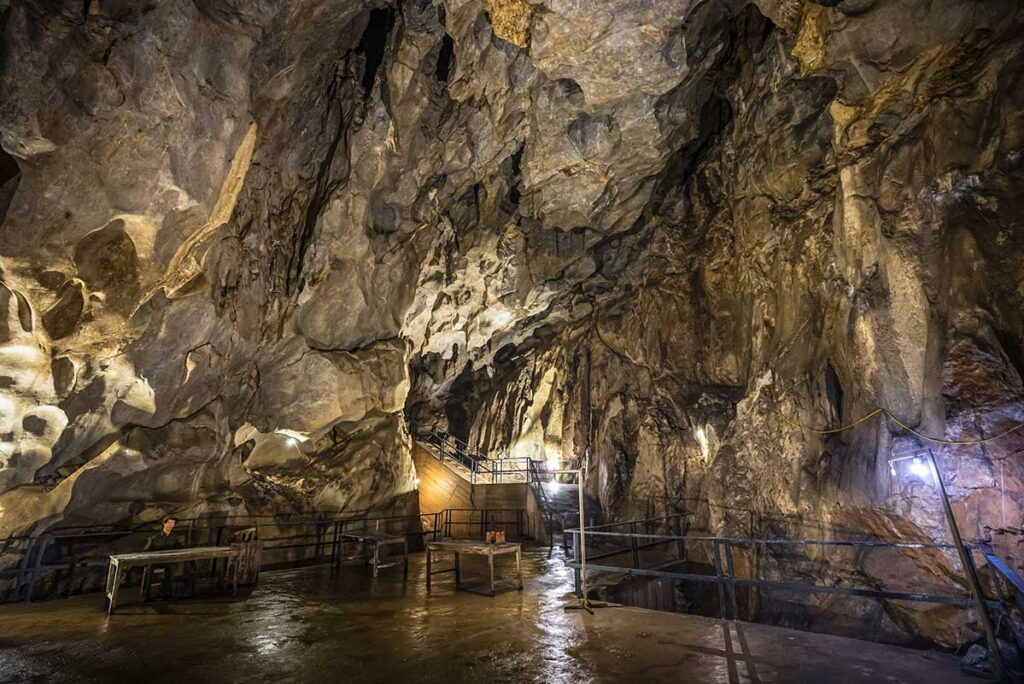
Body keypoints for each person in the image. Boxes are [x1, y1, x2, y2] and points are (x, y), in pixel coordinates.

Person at [142, 516, 182, 600]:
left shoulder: (175, 538)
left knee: (171, 569)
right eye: (169, 523)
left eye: (173, 523)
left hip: (168, 561)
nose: (171, 525)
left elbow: (180, 550)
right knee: (149, 570)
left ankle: (167, 594)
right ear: (164, 523)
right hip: (156, 561)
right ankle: (147, 595)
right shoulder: (154, 538)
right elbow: (145, 551)